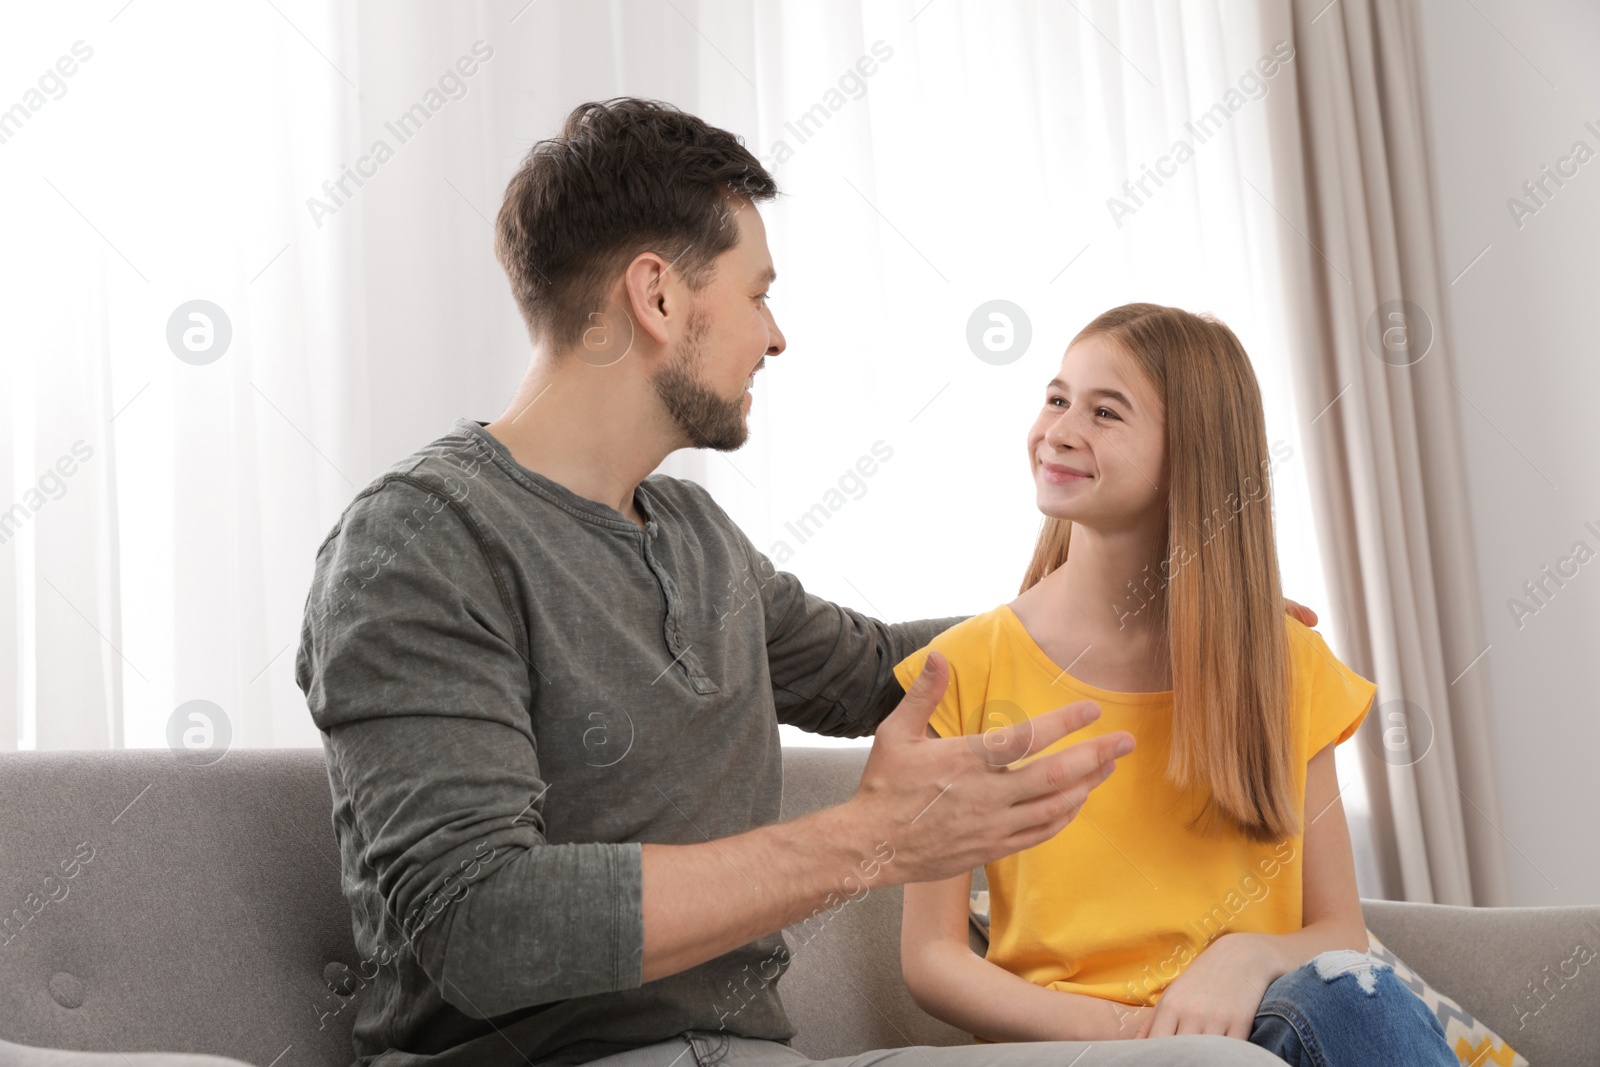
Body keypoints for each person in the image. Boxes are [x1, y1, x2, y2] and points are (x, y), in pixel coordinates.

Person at [295, 98, 1312, 1067]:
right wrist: (862, 840)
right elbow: (484, 924)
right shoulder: (420, 542)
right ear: (656, 298)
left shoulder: (693, 534)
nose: (774, 336)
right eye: (756, 293)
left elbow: (886, 666)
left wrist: (1161, 612)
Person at [893, 304, 1457, 1065]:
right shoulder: (964, 669)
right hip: (1070, 1049)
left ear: (1191, 455)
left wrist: (1247, 955)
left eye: (1104, 412)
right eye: (1056, 398)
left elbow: (1338, 933)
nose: (1057, 429)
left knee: (1355, 994)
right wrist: (1132, 1034)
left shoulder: (1283, 662)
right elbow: (932, 958)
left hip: (1258, 1029)